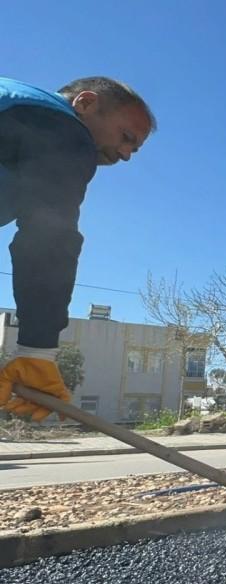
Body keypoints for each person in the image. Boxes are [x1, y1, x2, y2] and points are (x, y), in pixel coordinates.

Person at [0, 76, 155, 420]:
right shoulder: (64, 130)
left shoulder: (16, 106)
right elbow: (48, 238)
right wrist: (38, 351)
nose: (126, 155)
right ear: (84, 103)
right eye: (126, 137)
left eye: (135, 149)